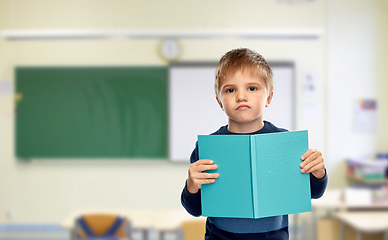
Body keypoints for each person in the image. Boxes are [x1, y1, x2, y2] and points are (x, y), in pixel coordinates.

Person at [180, 48, 328, 240]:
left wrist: (319, 172)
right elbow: (194, 209)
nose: (241, 96)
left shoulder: (284, 143)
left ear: (269, 97)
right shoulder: (208, 148)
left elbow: (314, 193)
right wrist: (191, 185)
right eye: (231, 90)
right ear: (219, 101)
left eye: (252, 88)